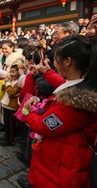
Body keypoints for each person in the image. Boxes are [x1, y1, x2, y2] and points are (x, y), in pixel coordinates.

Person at [18, 35, 97, 188]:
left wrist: (28, 111)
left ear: (68, 61)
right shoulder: (84, 84)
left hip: (61, 168)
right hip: (62, 158)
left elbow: (42, 126)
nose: (53, 62)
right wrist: (47, 72)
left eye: (55, 59)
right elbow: (64, 84)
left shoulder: (75, 104)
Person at [0, 64, 21, 146]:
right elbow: (2, 88)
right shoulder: (10, 81)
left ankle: (10, 140)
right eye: (10, 72)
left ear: (18, 73)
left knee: (11, 124)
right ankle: (7, 136)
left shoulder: (18, 83)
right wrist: (5, 82)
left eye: (13, 72)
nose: (11, 74)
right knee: (6, 123)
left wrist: (8, 83)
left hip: (11, 107)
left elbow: (11, 92)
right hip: (5, 104)